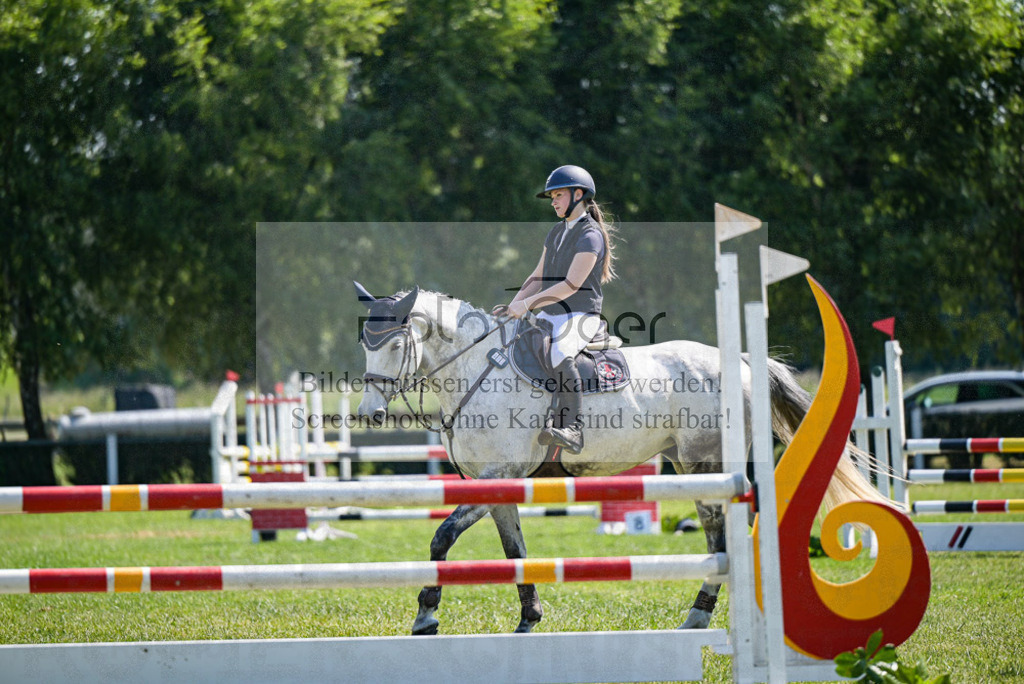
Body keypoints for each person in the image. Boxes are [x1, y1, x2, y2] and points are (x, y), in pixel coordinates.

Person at [494, 165, 617, 454]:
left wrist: (526, 304)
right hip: (550, 313)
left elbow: (571, 284)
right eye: (552, 197)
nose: (553, 202)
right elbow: (538, 276)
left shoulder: (591, 235)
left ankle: (573, 427)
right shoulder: (557, 231)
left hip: (580, 314)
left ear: (578, 194)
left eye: (558, 195)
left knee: (560, 351)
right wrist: (514, 304)